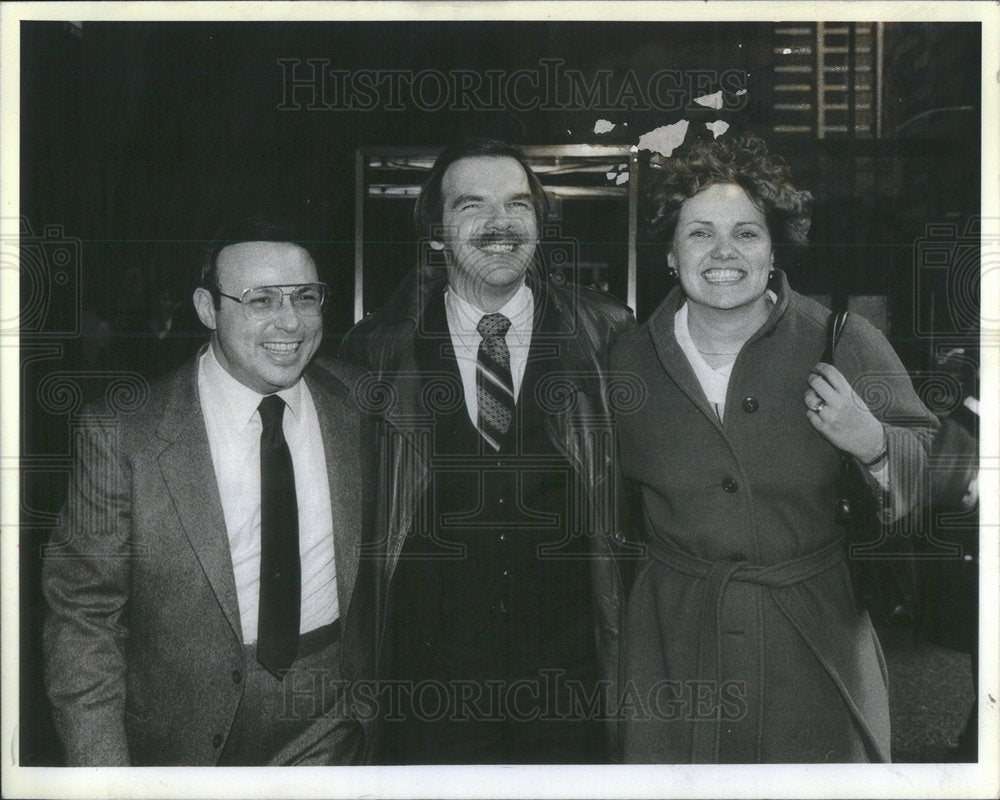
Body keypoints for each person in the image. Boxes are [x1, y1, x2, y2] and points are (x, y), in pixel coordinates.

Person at [610, 133, 938, 763]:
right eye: (700, 233)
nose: (724, 252)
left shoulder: (843, 340)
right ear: (672, 257)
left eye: (747, 233)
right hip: (672, 646)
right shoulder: (626, 359)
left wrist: (873, 445)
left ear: (773, 248)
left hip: (816, 638)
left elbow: (944, 478)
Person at [340, 138, 638, 764]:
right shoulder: (374, 353)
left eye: (518, 205)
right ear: (435, 235)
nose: (500, 224)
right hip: (427, 694)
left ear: (538, 224)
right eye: (472, 205)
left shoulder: (611, 338)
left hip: (572, 687)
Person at [43, 215, 377, 766]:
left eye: (305, 297)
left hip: (333, 719)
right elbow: (84, 616)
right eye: (261, 300)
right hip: (182, 737)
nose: (290, 323)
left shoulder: (357, 402)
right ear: (207, 308)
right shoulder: (126, 432)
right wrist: (104, 777)